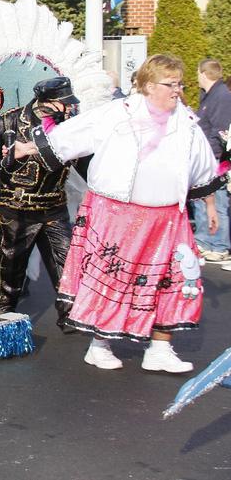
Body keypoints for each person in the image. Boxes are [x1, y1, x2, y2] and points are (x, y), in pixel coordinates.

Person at [15, 54, 226, 373]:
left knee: (174, 279)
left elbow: (203, 170)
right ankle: (99, 345)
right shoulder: (118, 113)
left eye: (180, 84)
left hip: (169, 218)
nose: (178, 91)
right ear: (150, 85)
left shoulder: (186, 123)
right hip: (118, 214)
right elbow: (74, 136)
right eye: (172, 85)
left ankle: (160, 348)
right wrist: (27, 147)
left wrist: (210, 206)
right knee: (113, 280)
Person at [0, 77, 83, 318]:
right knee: (9, 276)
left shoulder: (70, 125)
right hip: (16, 210)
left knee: (68, 268)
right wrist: (6, 152)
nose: (69, 108)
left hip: (54, 207)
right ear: (47, 103)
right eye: (64, 104)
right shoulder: (11, 121)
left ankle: (73, 317)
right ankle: (3, 322)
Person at [193, 59, 231, 264]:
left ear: (204, 73)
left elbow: (221, 130)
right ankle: (205, 240)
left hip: (215, 158)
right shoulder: (208, 96)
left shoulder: (221, 97)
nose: (197, 76)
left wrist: (213, 156)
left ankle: (219, 245)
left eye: (198, 72)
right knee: (202, 200)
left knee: (218, 202)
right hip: (206, 157)